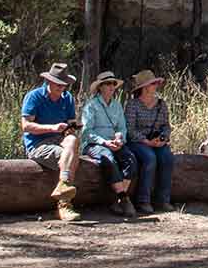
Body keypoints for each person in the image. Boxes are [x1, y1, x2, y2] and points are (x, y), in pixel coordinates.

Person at [19, 62, 82, 222]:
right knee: (70, 157)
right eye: (58, 84)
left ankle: (63, 185)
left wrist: (72, 127)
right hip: (38, 144)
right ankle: (64, 205)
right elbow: (26, 126)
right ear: (49, 81)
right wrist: (53, 128)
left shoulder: (67, 98)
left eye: (64, 85)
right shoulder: (34, 96)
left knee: (73, 140)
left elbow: (70, 125)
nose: (61, 88)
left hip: (60, 140)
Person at [80, 71, 138, 217]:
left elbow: (121, 128)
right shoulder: (91, 106)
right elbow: (86, 132)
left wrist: (119, 139)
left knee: (130, 159)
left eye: (113, 83)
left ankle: (118, 200)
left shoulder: (117, 106)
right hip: (94, 144)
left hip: (114, 143)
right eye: (108, 84)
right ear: (100, 87)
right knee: (108, 159)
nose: (112, 86)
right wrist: (104, 142)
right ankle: (124, 199)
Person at [125, 69, 174, 214]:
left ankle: (163, 200)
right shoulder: (132, 105)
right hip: (137, 142)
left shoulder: (161, 104)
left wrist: (163, 139)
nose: (156, 86)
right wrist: (146, 141)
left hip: (156, 142)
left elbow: (166, 125)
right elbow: (129, 129)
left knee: (167, 158)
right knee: (150, 158)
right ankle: (143, 201)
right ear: (145, 87)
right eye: (153, 84)